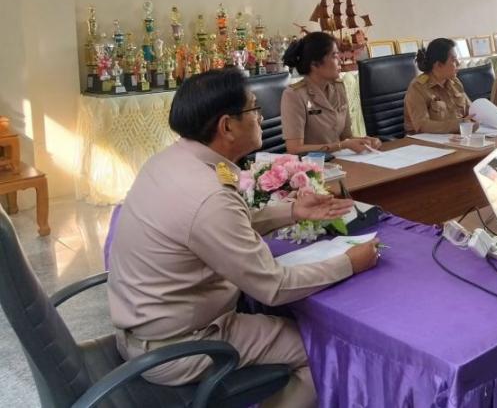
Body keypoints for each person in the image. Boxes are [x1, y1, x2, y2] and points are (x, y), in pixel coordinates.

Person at [107, 69, 380, 408]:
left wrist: (292, 211)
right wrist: (349, 263)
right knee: (319, 351)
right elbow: (273, 287)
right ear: (227, 126)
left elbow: (216, 227)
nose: (262, 117)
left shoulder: (170, 162)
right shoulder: (209, 196)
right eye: (254, 108)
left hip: (145, 330)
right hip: (180, 347)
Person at [280, 32, 381, 154]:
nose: (340, 59)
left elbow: (346, 137)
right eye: (334, 56)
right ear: (315, 64)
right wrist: (341, 145)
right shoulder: (294, 95)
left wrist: (366, 141)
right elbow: (294, 149)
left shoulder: (339, 87)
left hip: (340, 159)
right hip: (313, 163)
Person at [404, 38, 473, 134]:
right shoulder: (417, 87)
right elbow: (422, 126)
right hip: (424, 140)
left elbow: (471, 111)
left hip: (455, 137)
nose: (458, 63)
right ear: (438, 65)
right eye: (453, 60)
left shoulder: (454, 82)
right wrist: (460, 125)